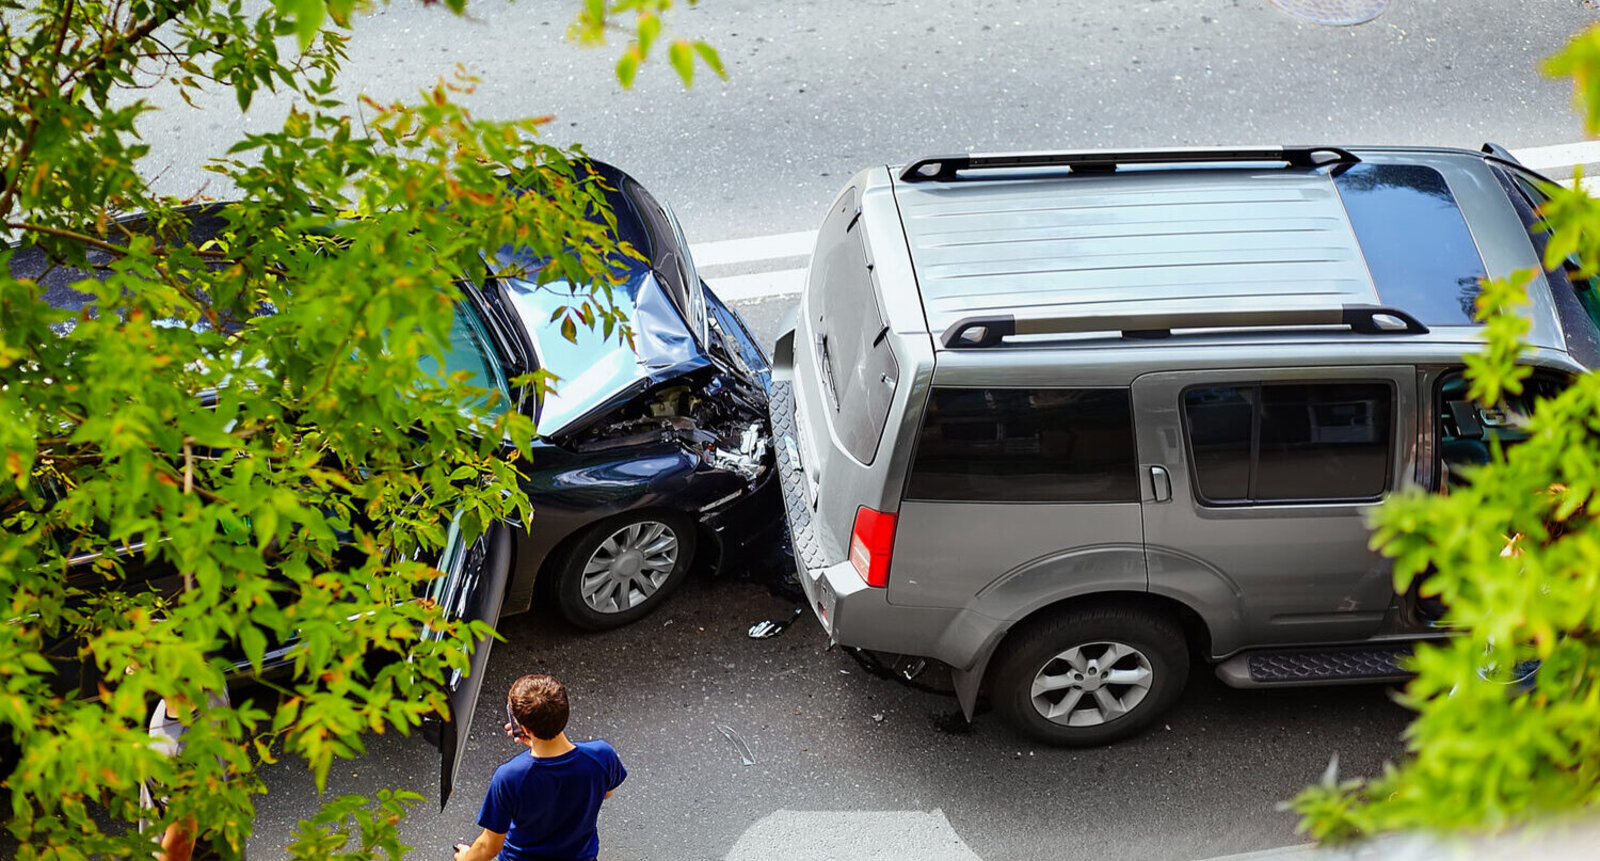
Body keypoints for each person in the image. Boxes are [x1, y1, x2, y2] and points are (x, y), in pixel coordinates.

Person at [453, 674, 626, 861]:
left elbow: (489, 846)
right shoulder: (601, 755)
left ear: (525, 729)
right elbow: (606, 793)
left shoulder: (510, 776)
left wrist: (465, 857)